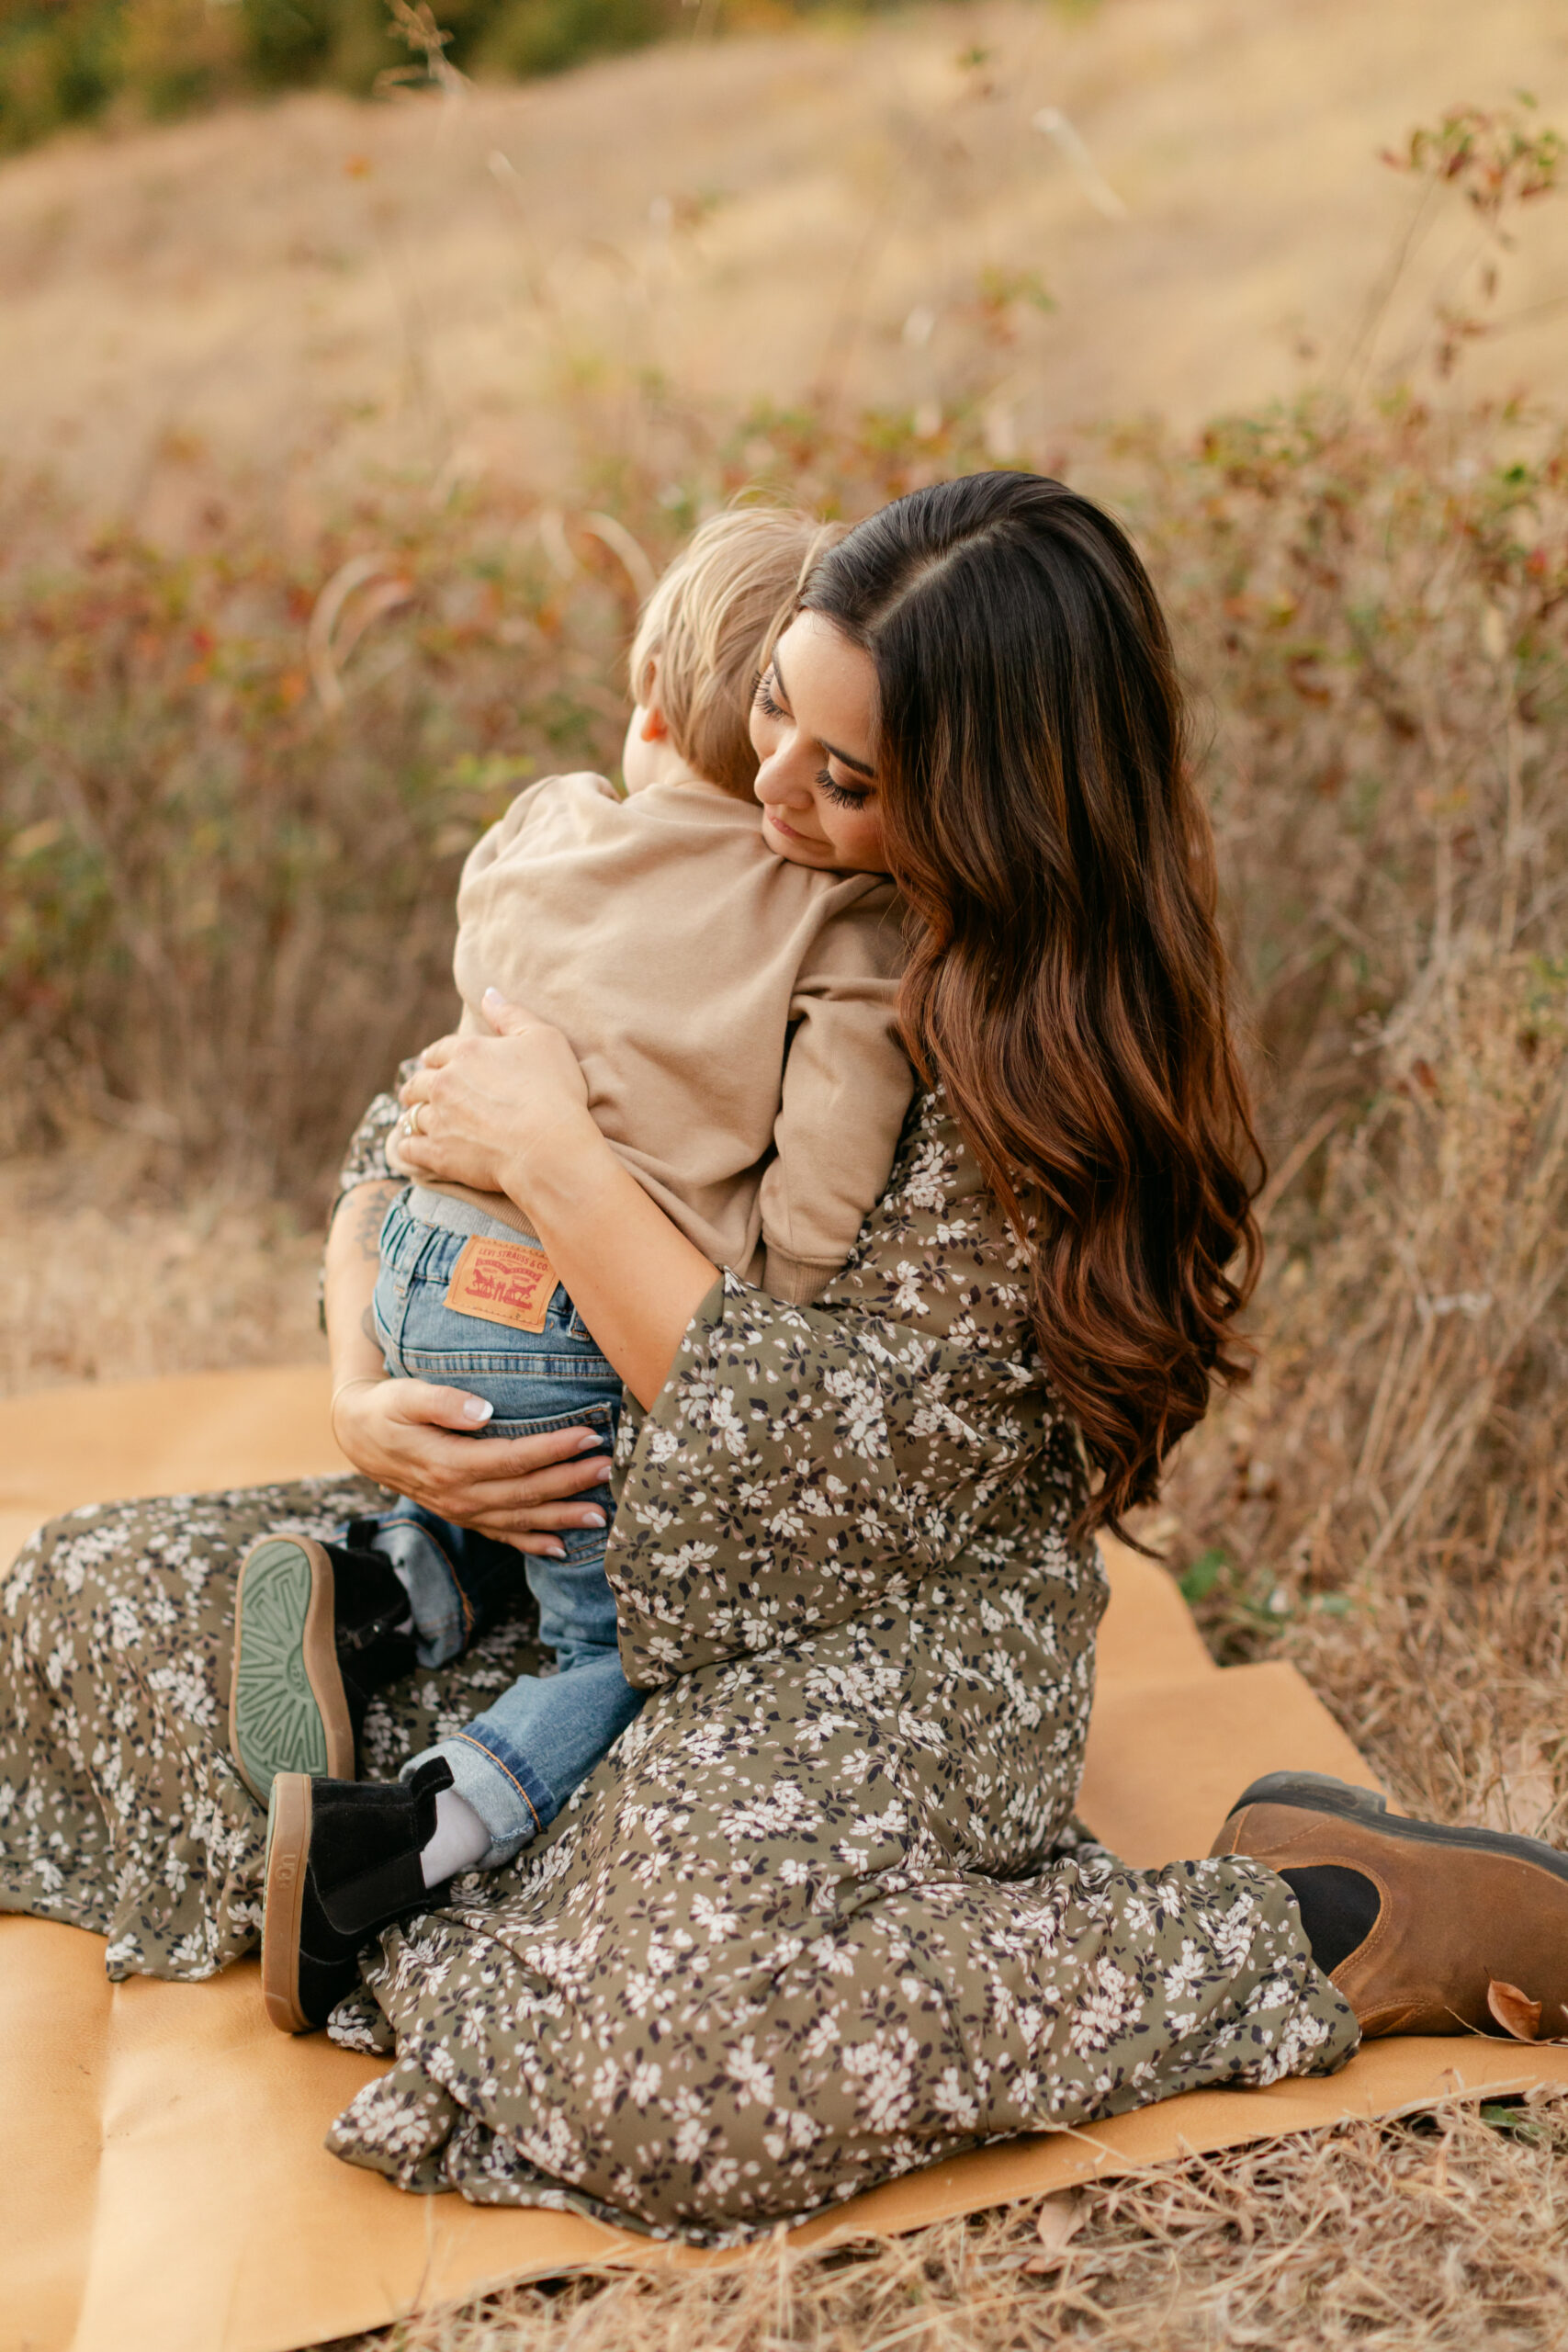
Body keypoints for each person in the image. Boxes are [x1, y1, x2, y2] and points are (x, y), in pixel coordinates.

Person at [6, 472, 1568, 2248]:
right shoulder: (738, 849)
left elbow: (799, 1457)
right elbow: (408, 1143)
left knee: (686, 2056)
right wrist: (370, 1392)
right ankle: (460, 1828)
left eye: (844, 779)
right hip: (577, 1534)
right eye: (778, 728)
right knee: (81, 1608)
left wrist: (567, 1171)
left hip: (861, 1620)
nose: (770, 796)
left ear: (1002, 812)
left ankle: (1312, 1921)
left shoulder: (1029, 1077)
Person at [229, 509, 915, 1981]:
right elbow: (809, 1235)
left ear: (646, 686)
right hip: (569, 1324)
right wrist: (729, 1241)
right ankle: (415, 1828)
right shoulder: (841, 927)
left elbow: (480, 1010)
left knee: (512, 1460)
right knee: (611, 1640)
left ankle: (394, 1579)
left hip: (420, 1260)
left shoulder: (541, 830)